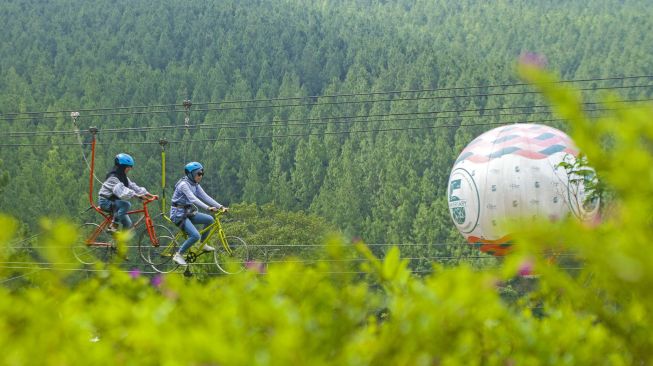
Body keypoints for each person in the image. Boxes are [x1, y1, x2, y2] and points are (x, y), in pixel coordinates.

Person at [170, 162, 228, 266]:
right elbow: (193, 199)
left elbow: (205, 197)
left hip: (188, 212)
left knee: (210, 219)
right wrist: (208, 207)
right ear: (190, 174)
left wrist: (220, 206)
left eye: (202, 173)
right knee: (195, 235)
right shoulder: (183, 185)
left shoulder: (195, 184)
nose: (200, 176)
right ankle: (178, 254)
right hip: (178, 215)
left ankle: (203, 243)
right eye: (198, 173)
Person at [98, 153, 156, 232]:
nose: (129, 169)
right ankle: (113, 226)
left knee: (128, 223)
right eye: (128, 167)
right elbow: (122, 191)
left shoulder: (122, 176)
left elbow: (133, 186)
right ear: (121, 167)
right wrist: (138, 196)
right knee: (126, 204)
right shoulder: (113, 178)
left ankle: (119, 242)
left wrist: (148, 194)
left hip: (114, 202)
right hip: (105, 201)